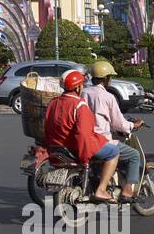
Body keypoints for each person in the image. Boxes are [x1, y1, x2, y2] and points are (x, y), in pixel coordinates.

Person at [44, 69, 119, 203]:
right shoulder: (79, 105)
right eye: (82, 85)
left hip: (58, 147)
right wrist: (85, 159)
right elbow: (83, 136)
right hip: (76, 147)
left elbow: (47, 128)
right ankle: (101, 189)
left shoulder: (53, 103)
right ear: (78, 87)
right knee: (113, 152)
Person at [82, 61, 145, 201]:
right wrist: (133, 125)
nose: (110, 79)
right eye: (110, 77)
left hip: (84, 137)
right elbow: (119, 123)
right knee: (134, 155)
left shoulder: (84, 92)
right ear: (106, 78)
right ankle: (128, 191)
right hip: (101, 139)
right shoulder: (108, 97)